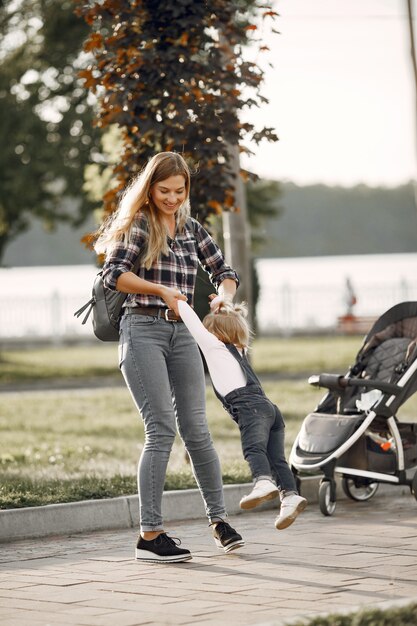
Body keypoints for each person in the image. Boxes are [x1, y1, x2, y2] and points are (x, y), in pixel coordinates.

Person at [97, 152, 244, 563]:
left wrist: (224, 299)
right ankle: (150, 534)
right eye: (164, 191)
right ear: (150, 188)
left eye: (180, 191)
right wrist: (161, 290)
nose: (172, 198)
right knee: (160, 430)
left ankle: (219, 522)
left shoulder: (190, 227)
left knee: (197, 429)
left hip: (184, 332)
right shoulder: (139, 224)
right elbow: (114, 275)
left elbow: (224, 271)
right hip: (141, 329)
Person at [177, 297, 307, 530]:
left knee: (253, 448)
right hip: (270, 410)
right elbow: (234, 321)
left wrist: (176, 298)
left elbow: (192, 322)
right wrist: (220, 304)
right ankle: (290, 496)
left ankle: (262, 482)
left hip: (250, 410)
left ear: (213, 333)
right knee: (276, 458)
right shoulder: (241, 349)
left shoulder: (213, 346)